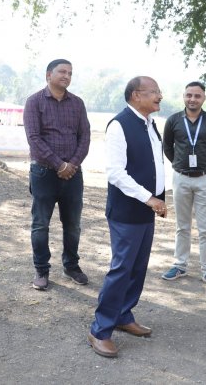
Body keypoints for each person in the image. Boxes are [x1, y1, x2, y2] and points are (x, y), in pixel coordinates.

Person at [88, 76, 167, 358]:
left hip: (147, 210)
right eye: (154, 92)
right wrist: (150, 198)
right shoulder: (119, 125)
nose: (160, 96)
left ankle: (123, 314)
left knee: (138, 267)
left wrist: (159, 199)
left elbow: (153, 163)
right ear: (136, 95)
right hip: (127, 211)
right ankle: (100, 329)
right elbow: (116, 173)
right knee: (122, 269)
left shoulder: (149, 124)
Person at [23, 59, 91, 290]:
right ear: (48, 75)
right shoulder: (34, 102)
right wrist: (58, 164)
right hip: (43, 173)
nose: (66, 76)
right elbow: (34, 138)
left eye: (70, 73)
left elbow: (85, 137)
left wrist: (71, 164)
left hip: (73, 174)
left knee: (73, 224)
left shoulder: (77, 103)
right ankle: (41, 270)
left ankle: (71, 265)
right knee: (40, 224)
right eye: (62, 72)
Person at [161, 81, 206, 288]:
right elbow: (167, 148)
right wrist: (180, 164)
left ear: (203, 98)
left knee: (205, 228)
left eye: (197, 96)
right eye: (189, 95)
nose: (192, 99)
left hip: (204, 179)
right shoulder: (173, 120)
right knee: (182, 226)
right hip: (180, 177)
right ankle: (180, 265)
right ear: (184, 96)